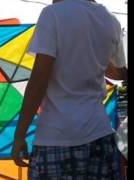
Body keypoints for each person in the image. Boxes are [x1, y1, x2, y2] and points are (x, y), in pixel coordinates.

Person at [11, 0, 127, 179]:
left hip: (56, 139)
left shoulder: (53, 14)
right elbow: (118, 72)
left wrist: (19, 136)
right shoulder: (110, 20)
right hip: (100, 137)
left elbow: (39, 80)